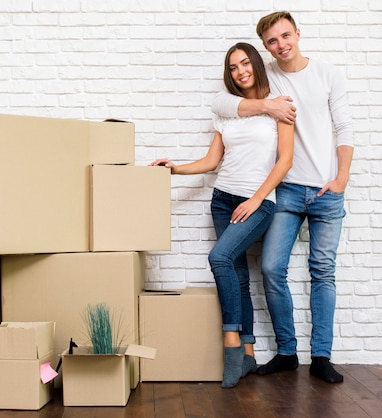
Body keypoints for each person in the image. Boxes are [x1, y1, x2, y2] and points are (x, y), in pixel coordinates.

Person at [211, 11, 354, 383]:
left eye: (286, 36)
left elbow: (345, 126)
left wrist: (341, 178)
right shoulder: (266, 74)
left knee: (323, 272)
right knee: (273, 269)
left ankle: (321, 355)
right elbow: (224, 105)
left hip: (326, 190)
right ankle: (287, 351)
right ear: (265, 47)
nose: (281, 45)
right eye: (273, 41)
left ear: (297, 34)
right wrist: (266, 105)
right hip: (286, 190)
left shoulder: (327, 73)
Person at [150, 42, 294, 388]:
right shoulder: (228, 111)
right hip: (222, 199)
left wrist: (257, 200)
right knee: (238, 274)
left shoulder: (280, 107)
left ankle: (230, 340)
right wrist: (175, 169)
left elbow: (285, 160)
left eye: (245, 63)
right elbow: (212, 161)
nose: (241, 71)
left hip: (256, 201)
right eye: (233, 67)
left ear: (256, 65)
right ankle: (247, 355)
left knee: (219, 258)